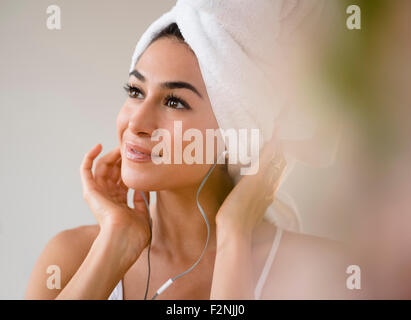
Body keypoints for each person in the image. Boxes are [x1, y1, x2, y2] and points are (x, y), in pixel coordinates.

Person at [25, 18, 359, 301]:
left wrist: (234, 236)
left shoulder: (322, 272)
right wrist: (116, 244)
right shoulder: (71, 257)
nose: (136, 124)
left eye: (174, 102)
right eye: (135, 91)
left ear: (237, 130)